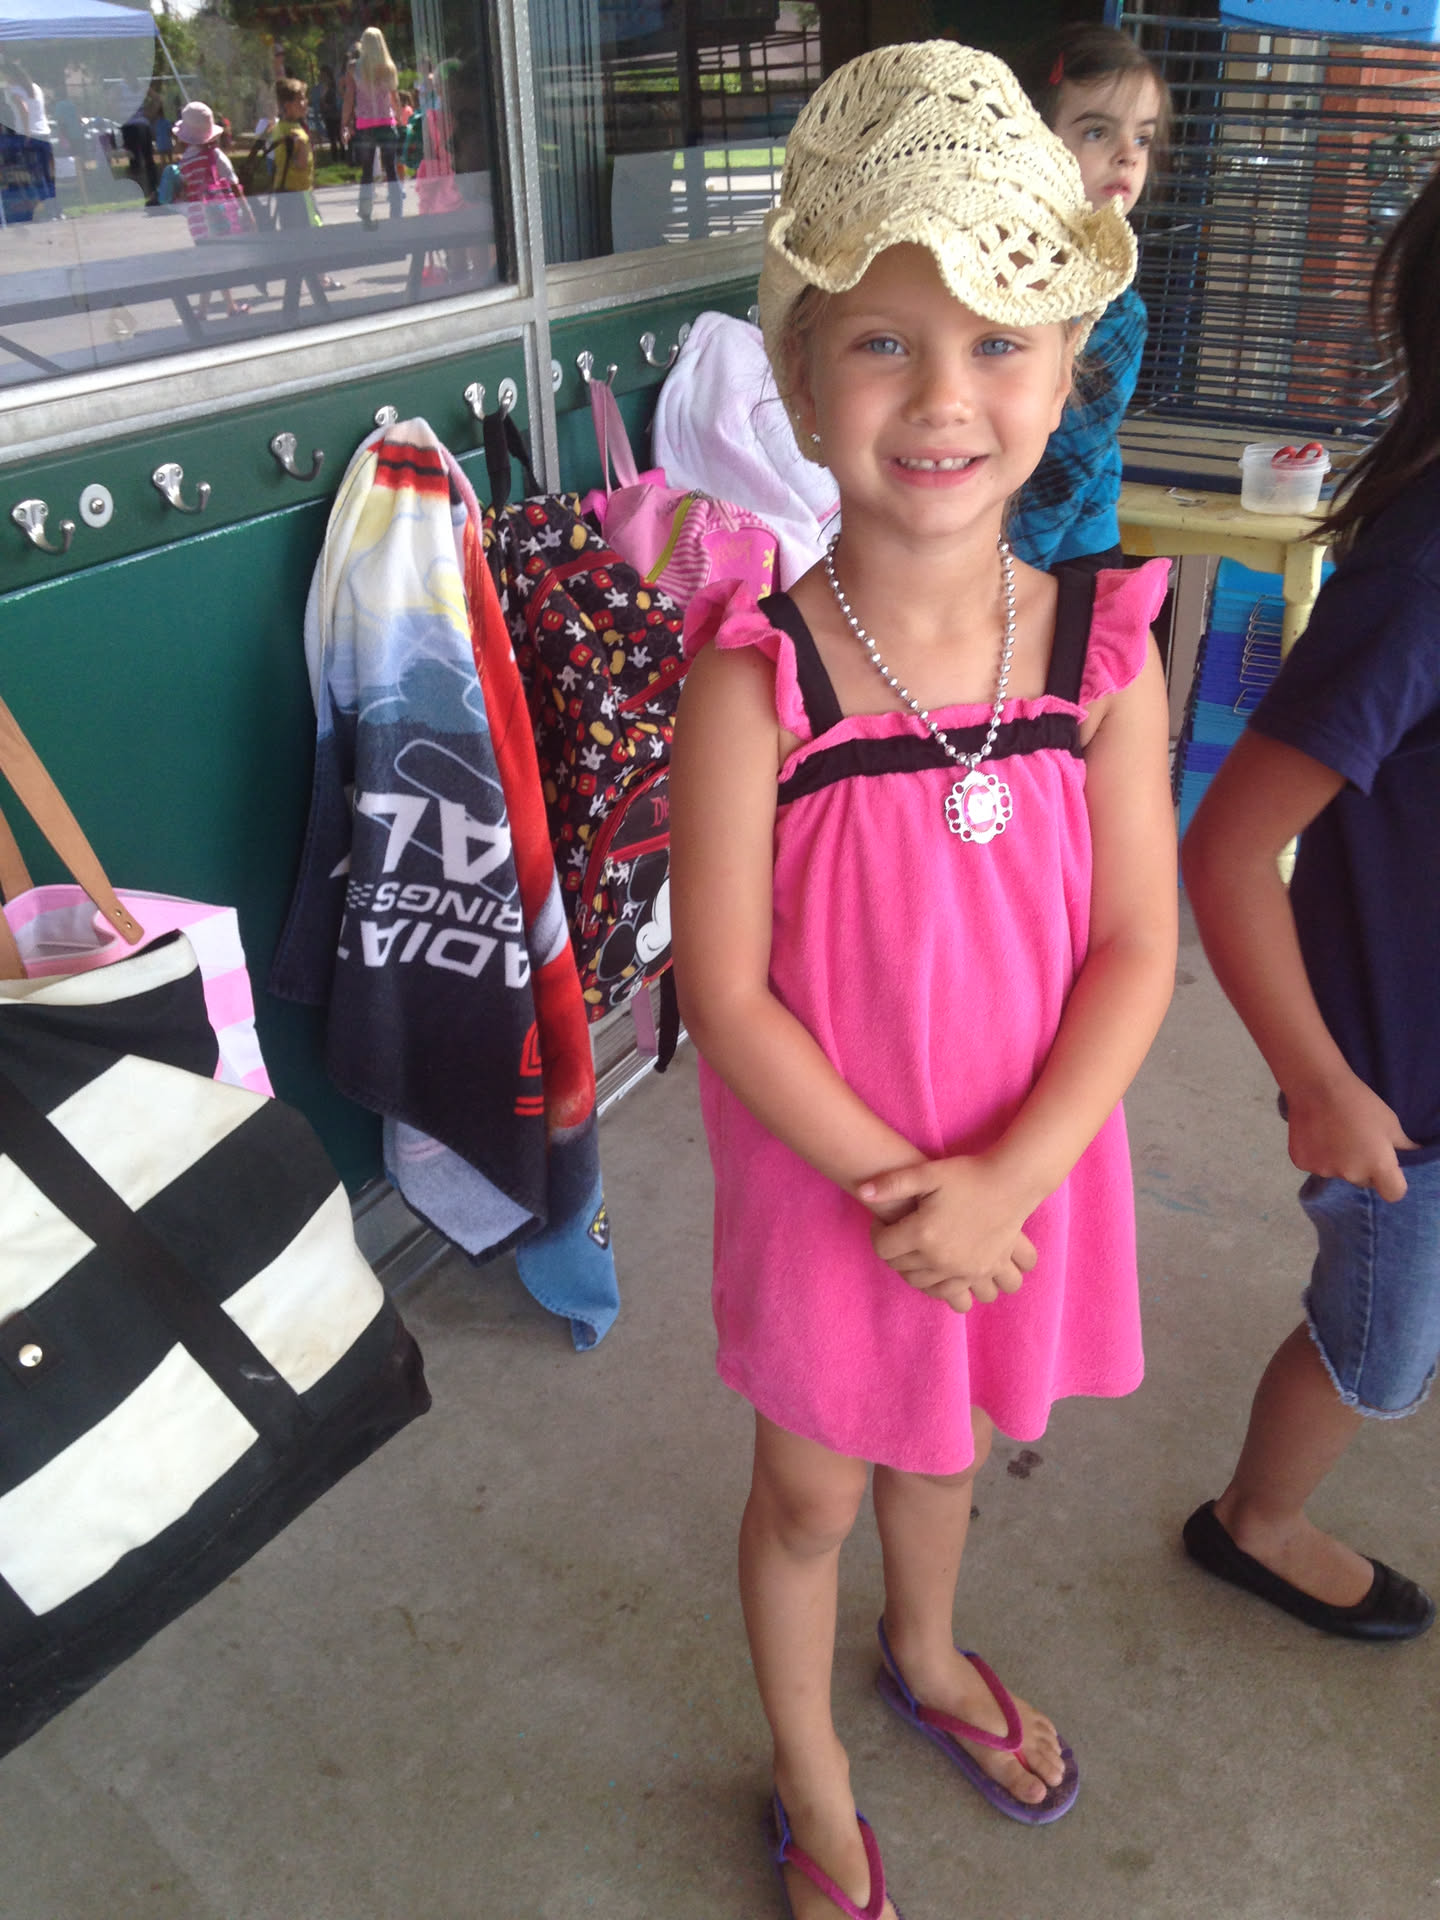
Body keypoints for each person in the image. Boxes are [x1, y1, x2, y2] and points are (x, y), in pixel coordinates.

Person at [668, 42, 1177, 1920]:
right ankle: (809, 1774)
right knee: (813, 1490)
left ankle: (930, 1650)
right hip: (837, 1187)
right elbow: (728, 994)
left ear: (1065, 369)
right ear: (803, 381)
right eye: (884, 341)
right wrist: (915, 1197)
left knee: (947, 1437)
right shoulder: (753, 682)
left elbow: (1138, 948)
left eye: (995, 344)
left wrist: (1005, 1186)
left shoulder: (1101, 650)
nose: (945, 395)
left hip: (1017, 1178)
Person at [1179, 162, 1440, 1644]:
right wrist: (1322, 1084)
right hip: (1400, 1104)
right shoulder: (1420, 576)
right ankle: (1255, 1524)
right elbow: (1225, 853)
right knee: (1373, 1348)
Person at [1005, 25, 1170, 572]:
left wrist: (1000, 585)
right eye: (1098, 132)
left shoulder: (1115, 313)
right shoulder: (981, 271)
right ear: (1029, 140)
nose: (1127, 156)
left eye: (1142, 139)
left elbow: (1062, 475)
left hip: (1062, 562)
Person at [174, 100, 254, 320]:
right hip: (219, 215)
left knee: (211, 262)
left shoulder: (184, 162)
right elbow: (234, 183)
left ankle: (215, 308)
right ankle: (223, 308)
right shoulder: (215, 156)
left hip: (198, 219)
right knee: (217, 262)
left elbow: (185, 190)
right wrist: (247, 212)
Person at [348, 26, 402, 228]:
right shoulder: (388, 67)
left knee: (367, 170)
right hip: (386, 122)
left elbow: (349, 97)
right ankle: (396, 211)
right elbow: (394, 97)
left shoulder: (354, 68)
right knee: (391, 169)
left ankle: (365, 211)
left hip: (365, 124)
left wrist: (345, 122)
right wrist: (399, 116)